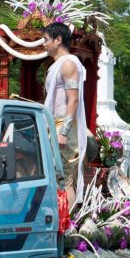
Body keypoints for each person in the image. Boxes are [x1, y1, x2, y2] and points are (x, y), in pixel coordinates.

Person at [42, 22, 87, 208]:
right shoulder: (56, 65)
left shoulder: (68, 64)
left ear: (58, 40)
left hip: (64, 127)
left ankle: (68, 227)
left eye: (45, 40)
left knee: (64, 179)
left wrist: (63, 132)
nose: (43, 44)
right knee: (56, 178)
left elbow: (73, 100)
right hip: (56, 125)